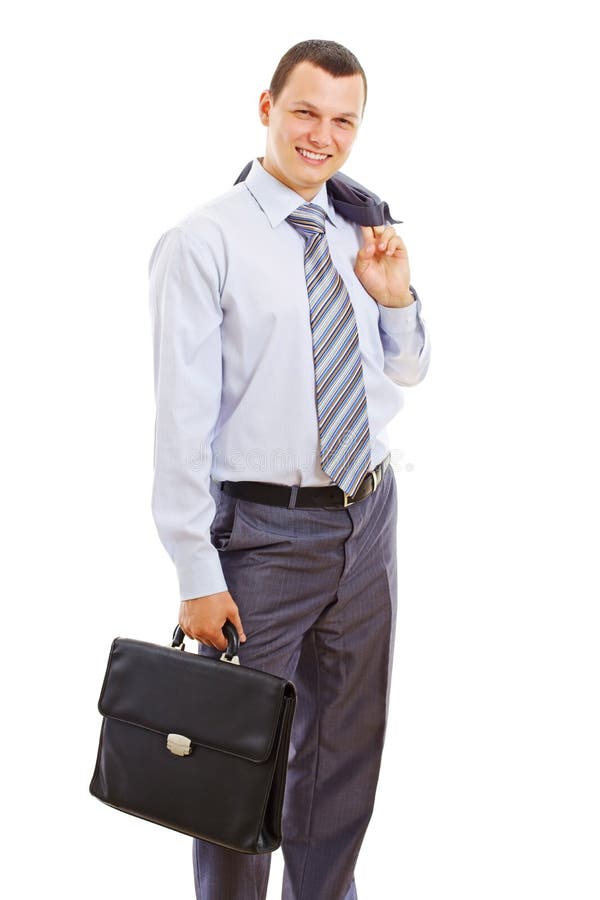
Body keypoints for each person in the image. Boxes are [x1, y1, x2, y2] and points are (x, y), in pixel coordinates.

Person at [148, 38, 431, 900]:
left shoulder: (362, 224)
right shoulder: (203, 242)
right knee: (241, 766)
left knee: (344, 753)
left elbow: (408, 371)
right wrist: (197, 571)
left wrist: (397, 300)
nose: (323, 136)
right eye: (305, 111)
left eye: (343, 120)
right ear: (266, 108)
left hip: (367, 515)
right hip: (263, 533)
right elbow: (180, 423)